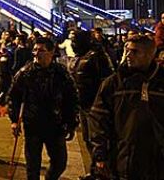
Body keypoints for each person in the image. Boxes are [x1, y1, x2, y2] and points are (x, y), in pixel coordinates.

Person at [89, 35, 164, 179]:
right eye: (127, 50)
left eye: (135, 52)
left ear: (151, 55)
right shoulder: (114, 83)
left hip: (157, 161)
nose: (128, 55)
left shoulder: (160, 82)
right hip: (124, 160)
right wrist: (100, 154)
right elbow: (98, 119)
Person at [8, 37, 79, 180]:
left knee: (60, 163)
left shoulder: (61, 73)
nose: (36, 53)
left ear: (52, 52)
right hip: (33, 124)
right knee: (32, 166)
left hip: (56, 125)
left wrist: (71, 123)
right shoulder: (25, 72)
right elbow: (14, 97)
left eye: (41, 50)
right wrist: (14, 120)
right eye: (35, 50)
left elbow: (71, 99)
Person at [70, 30, 114, 176]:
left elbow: (107, 81)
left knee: (98, 141)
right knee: (87, 139)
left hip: (95, 106)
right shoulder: (78, 57)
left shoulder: (97, 57)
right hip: (83, 105)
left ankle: (102, 172)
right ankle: (94, 170)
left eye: (75, 40)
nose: (72, 43)